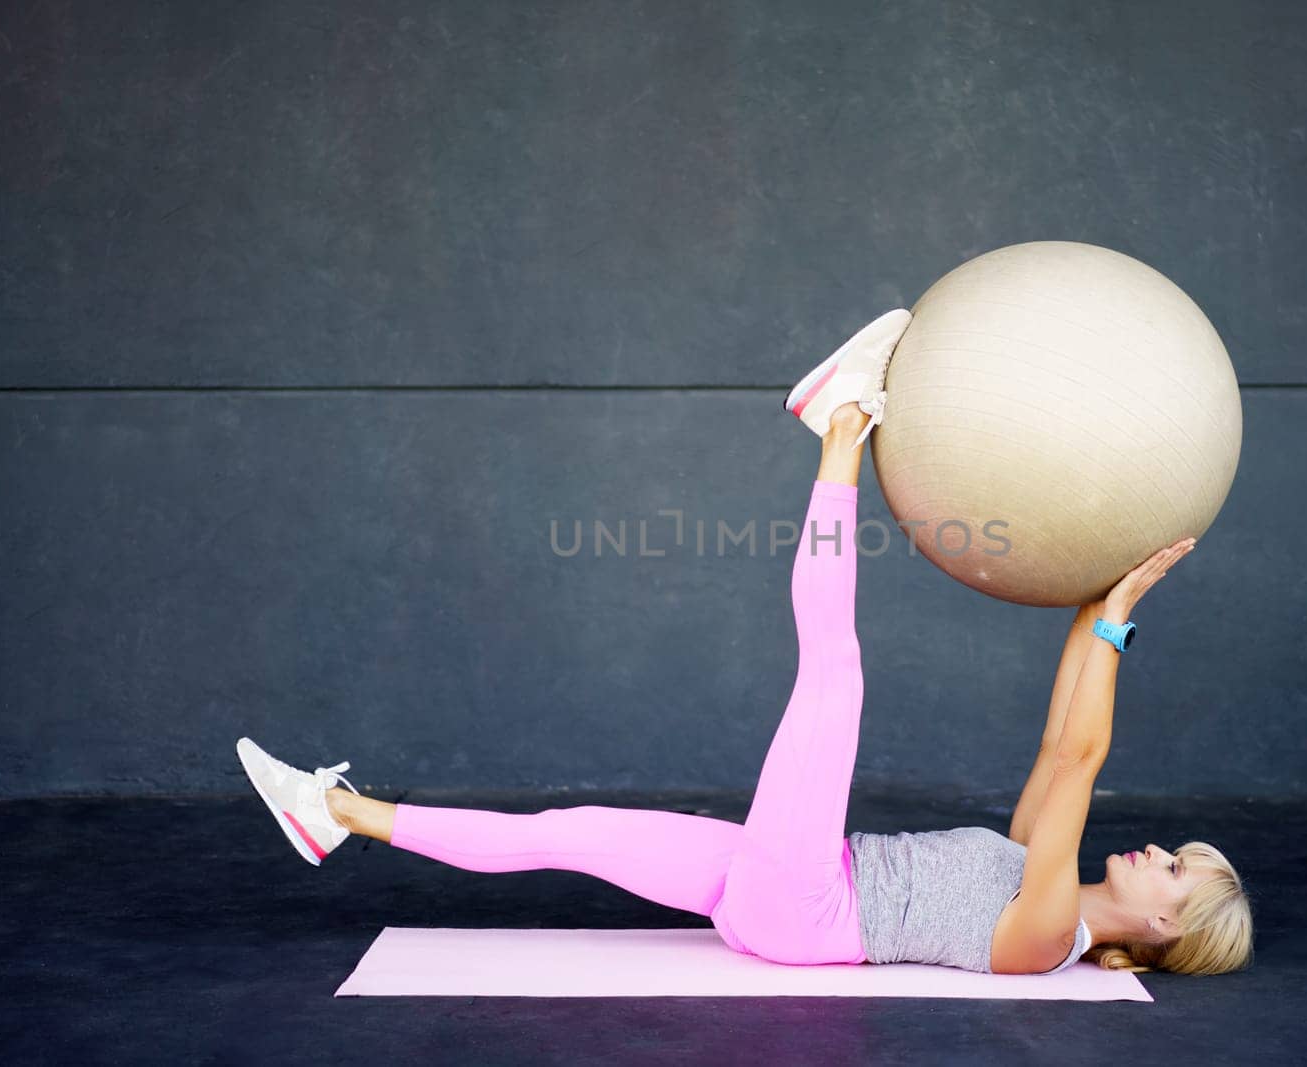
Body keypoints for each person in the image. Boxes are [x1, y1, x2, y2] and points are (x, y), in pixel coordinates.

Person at [236, 308, 1254, 977]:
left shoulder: (1047, 932)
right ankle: (331, 811)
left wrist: (1117, 617)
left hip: (809, 902)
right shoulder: (1042, 867)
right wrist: (1099, 605)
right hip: (780, 882)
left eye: (1172, 869)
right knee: (565, 827)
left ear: (1166, 927)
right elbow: (1054, 747)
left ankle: (839, 428)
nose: (1155, 851)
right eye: (1175, 853)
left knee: (835, 672)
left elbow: (1082, 756)